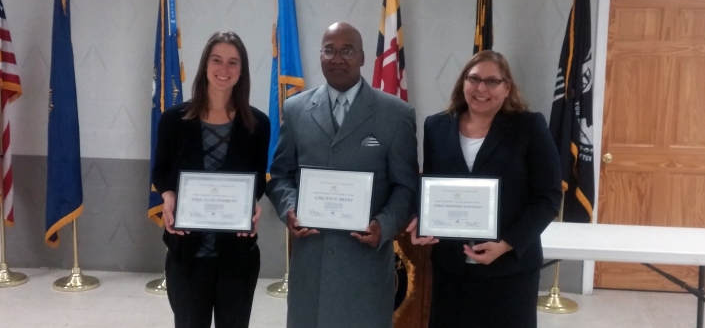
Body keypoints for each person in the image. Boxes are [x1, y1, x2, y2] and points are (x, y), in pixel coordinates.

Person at [266, 22, 418, 328]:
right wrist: (290, 209)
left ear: (362, 58)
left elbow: (407, 187)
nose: (338, 58)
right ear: (320, 56)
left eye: (347, 51)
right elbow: (280, 175)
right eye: (329, 50)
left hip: (365, 265)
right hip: (311, 263)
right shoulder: (295, 109)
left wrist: (383, 225)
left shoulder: (396, 114)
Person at [407, 50, 562, 328]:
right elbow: (432, 187)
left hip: (510, 268)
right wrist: (423, 218)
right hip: (451, 267)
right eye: (474, 79)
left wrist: (507, 244)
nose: (481, 88)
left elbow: (548, 197)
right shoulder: (436, 126)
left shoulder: (529, 126)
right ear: (463, 83)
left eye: (492, 81)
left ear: (507, 88)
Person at [153, 31, 270, 328]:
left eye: (233, 62)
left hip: (237, 253)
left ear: (241, 71)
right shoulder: (173, 120)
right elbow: (160, 171)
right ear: (205, 65)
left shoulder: (257, 124)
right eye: (217, 60)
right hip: (187, 252)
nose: (224, 69)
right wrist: (168, 195)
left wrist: (254, 205)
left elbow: (257, 180)